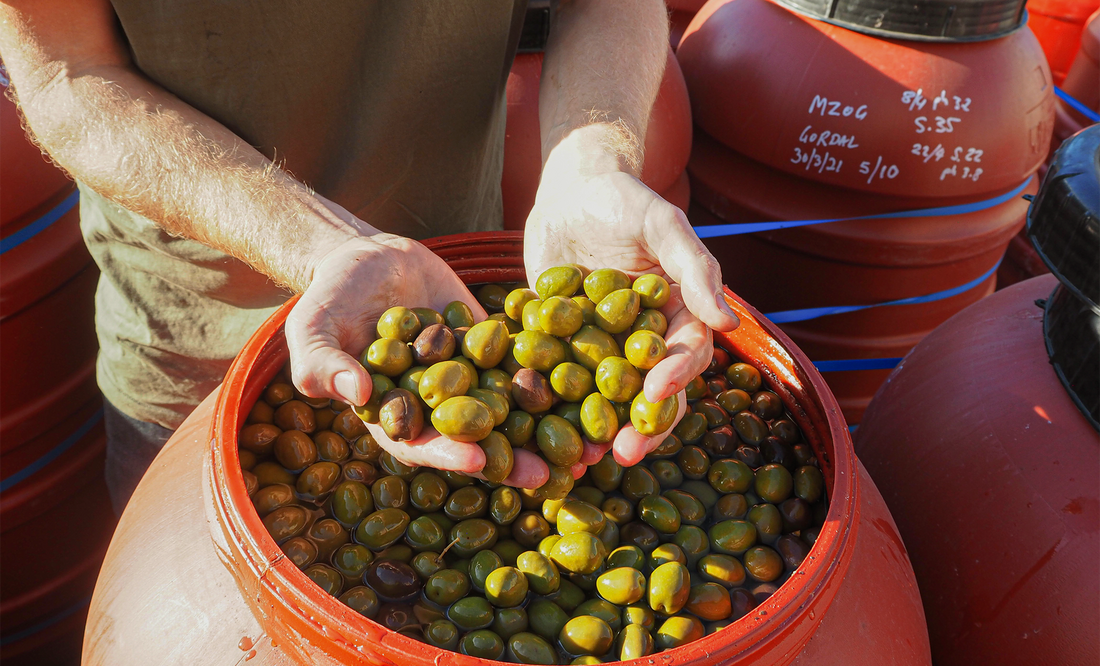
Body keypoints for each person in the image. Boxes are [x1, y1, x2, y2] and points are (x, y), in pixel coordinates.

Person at [0, 0, 738, 514]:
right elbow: (66, 69)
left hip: (452, 285)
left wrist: (592, 161)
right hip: (194, 342)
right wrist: (321, 240)